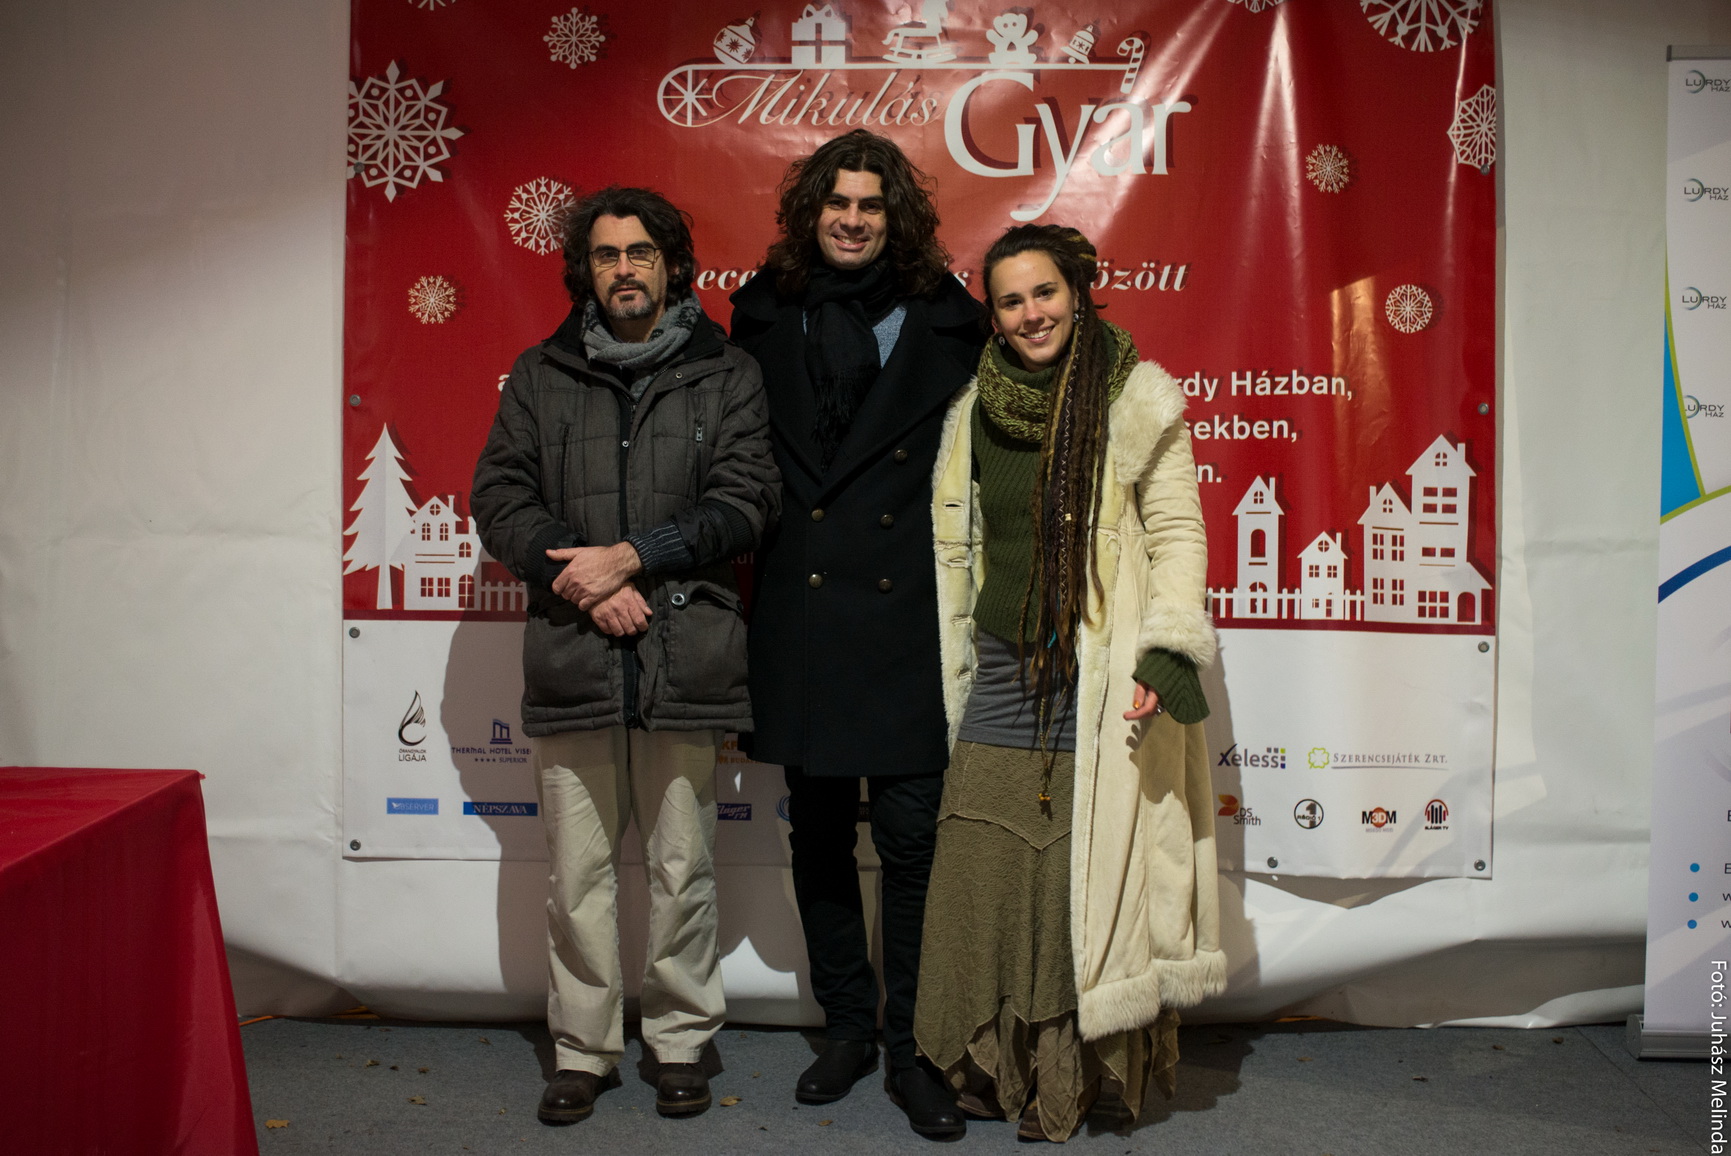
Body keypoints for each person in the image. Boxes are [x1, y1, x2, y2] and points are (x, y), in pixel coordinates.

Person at [471, 186, 779, 1126]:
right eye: (606, 255)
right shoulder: (540, 374)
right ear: (586, 271)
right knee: (577, 877)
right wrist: (588, 582)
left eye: (640, 252)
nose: (624, 270)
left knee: (684, 869)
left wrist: (634, 557)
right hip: (575, 655)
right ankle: (583, 1049)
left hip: (688, 659)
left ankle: (680, 1040)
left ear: (672, 264)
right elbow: (500, 498)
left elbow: (747, 500)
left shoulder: (727, 372)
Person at [913, 224, 1226, 1141]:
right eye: (1009, 301)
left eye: (1043, 292)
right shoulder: (973, 409)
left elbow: (1178, 533)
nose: (1030, 314)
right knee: (983, 872)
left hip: (1097, 675)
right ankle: (989, 1066)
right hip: (1001, 671)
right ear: (993, 315)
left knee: (1078, 883)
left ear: (1077, 291)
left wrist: (1167, 650)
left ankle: (1074, 1078)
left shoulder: (1135, 397)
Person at [729, 129, 984, 1140]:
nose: (852, 219)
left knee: (914, 840)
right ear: (812, 212)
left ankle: (913, 1047)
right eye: (837, 202)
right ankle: (845, 1028)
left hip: (908, 614)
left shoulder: (950, 320)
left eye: (871, 204)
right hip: (803, 613)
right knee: (821, 831)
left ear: (896, 217)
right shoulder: (763, 314)